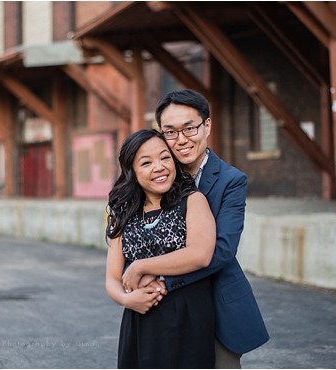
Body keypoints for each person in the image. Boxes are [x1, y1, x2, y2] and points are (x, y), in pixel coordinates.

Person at [155, 89, 269, 368]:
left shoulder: (231, 180)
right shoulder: (157, 175)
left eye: (189, 128)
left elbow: (223, 249)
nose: (181, 140)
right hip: (165, 307)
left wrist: (162, 280)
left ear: (206, 125)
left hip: (216, 301)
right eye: (170, 132)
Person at [105, 129, 217, 368]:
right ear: (132, 172)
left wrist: (139, 266)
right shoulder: (123, 214)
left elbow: (200, 254)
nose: (159, 167)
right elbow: (112, 279)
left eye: (165, 157)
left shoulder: (193, 200)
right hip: (140, 317)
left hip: (188, 314)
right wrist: (128, 299)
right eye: (146, 162)